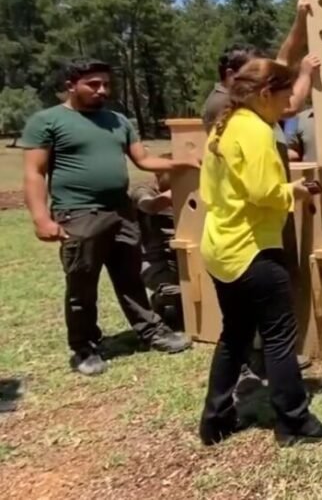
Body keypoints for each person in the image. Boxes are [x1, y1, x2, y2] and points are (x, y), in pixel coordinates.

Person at [21, 59, 196, 377]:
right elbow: (34, 172)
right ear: (71, 84)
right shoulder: (48, 121)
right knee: (82, 284)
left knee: (130, 277)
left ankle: (151, 331)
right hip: (79, 213)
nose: (102, 90)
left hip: (122, 211)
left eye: (106, 84)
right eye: (93, 84)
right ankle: (84, 347)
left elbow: (143, 160)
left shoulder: (117, 120)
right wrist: (41, 218)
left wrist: (184, 163)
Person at [197, 57, 322, 448]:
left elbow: (218, 191)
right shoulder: (256, 131)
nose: (290, 100)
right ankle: (294, 422)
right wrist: (297, 191)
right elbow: (264, 194)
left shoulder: (225, 126)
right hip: (253, 249)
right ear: (264, 93)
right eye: (286, 92)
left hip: (221, 246)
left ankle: (216, 420)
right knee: (278, 338)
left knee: (235, 335)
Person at [130, 166, 183, 331]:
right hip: (156, 263)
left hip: (185, 261)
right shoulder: (142, 190)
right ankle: (160, 300)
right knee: (173, 292)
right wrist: (172, 195)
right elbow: (149, 206)